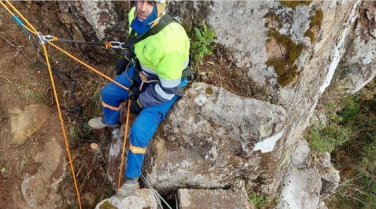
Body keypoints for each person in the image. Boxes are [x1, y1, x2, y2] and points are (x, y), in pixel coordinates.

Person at [88, 0, 190, 197]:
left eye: (150, 3)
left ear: (160, 7)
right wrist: (127, 58)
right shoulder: (135, 15)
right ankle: (110, 120)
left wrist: (141, 102)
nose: (142, 8)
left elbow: (168, 90)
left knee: (138, 133)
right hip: (142, 70)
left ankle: (132, 180)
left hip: (165, 84)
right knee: (109, 93)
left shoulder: (171, 43)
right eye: (140, 0)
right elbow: (137, 42)